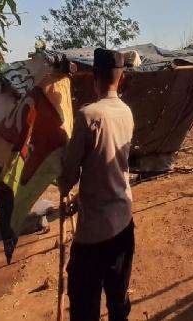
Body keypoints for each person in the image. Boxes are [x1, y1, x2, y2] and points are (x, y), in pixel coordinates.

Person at [59, 48, 135, 321]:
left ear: (95, 77)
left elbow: (68, 176)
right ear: (120, 77)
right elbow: (106, 168)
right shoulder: (126, 112)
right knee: (118, 300)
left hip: (94, 234)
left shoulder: (87, 116)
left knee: (84, 307)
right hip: (123, 223)